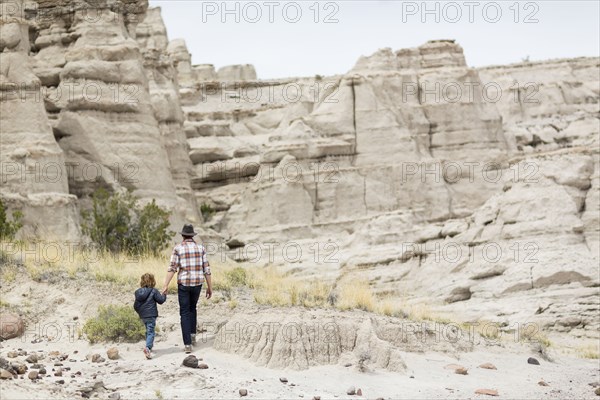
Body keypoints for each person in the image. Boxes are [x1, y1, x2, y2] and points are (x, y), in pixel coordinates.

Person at [161, 224, 212, 354]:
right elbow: (206, 269)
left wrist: (165, 285)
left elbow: (172, 268)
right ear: (192, 235)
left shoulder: (178, 248)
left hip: (184, 283)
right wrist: (209, 287)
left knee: (184, 312)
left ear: (183, 235)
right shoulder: (201, 248)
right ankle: (193, 335)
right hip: (198, 283)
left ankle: (188, 344)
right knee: (192, 308)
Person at [134, 273, 166, 359]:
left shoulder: (138, 292)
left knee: (148, 331)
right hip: (151, 315)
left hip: (143, 315)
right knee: (151, 331)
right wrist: (164, 293)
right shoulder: (153, 291)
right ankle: (147, 348)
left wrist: (140, 312)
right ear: (153, 281)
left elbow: (135, 306)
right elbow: (161, 300)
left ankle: (149, 347)